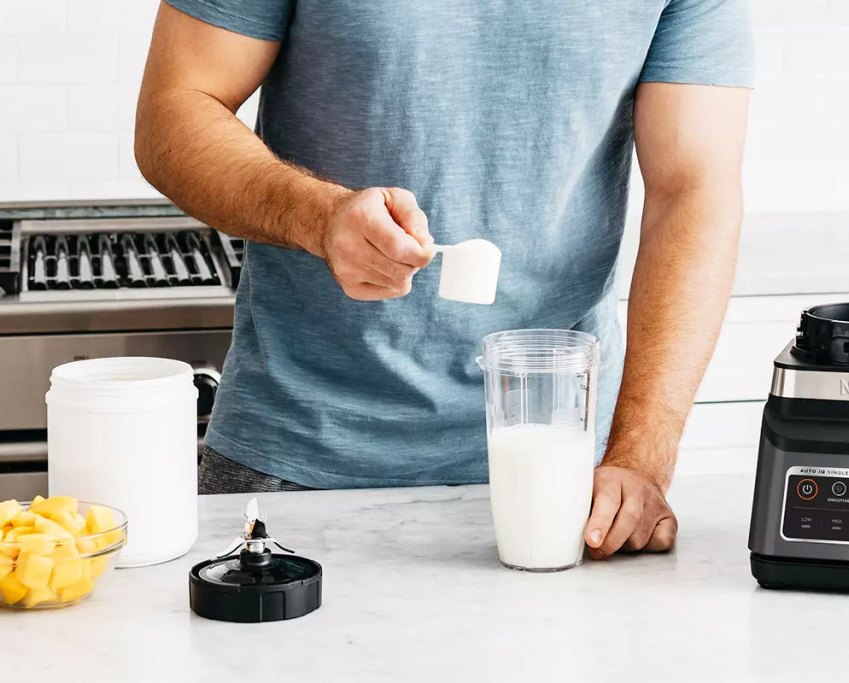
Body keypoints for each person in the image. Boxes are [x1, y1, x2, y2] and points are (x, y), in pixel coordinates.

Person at [135, 0, 753, 560]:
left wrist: (641, 458)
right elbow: (175, 108)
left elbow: (692, 192)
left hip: (568, 478)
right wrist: (317, 217)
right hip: (293, 459)